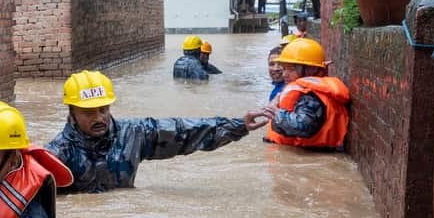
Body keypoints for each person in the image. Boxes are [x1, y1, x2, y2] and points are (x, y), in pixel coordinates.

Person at [46, 70, 270, 193]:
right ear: (72, 112)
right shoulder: (57, 154)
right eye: (89, 112)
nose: (99, 118)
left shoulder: (133, 134)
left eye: (103, 109)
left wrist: (238, 126)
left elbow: (183, 131)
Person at [258, 38, 350, 150]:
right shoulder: (306, 92)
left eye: (291, 69)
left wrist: (275, 112)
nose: (284, 75)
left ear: (310, 70)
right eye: (285, 69)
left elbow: (302, 126)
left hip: (312, 157)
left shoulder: (310, 98)